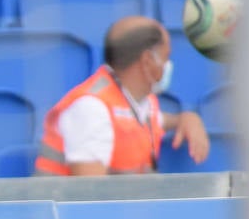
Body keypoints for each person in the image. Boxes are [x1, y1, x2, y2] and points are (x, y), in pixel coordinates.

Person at [33, 16, 211, 176]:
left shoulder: (139, 99)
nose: (167, 65)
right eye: (166, 57)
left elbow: (154, 119)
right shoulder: (91, 108)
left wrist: (187, 118)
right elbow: (90, 194)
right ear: (147, 60)